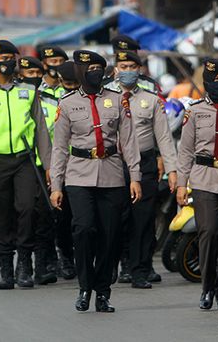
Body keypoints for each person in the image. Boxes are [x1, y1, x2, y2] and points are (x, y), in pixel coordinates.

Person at [50, 50, 142, 313]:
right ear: (80, 71)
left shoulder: (117, 100)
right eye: (89, 68)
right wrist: (56, 186)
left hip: (111, 174)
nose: (95, 73)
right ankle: (84, 286)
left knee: (110, 236)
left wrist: (135, 177)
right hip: (78, 174)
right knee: (83, 229)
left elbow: (129, 142)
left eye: (99, 68)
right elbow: (59, 148)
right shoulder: (67, 104)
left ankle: (102, 292)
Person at [0, 40, 53, 290]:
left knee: (27, 209)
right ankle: (6, 267)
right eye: (1, 58)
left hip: (24, 160)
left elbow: (41, 130)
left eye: (10, 57)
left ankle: (24, 264)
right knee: (1, 214)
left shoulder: (28, 90)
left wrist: (47, 164)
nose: (6, 62)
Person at [107, 49, 178, 289]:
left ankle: (139, 269)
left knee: (143, 218)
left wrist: (172, 170)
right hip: (113, 163)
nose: (127, 71)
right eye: (123, 66)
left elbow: (165, 138)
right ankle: (115, 264)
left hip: (145, 163)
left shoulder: (152, 99)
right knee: (116, 218)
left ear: (140, 70)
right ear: (115, 69)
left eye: (132, 66)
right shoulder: (104, 97)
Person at [177, 59, 218, 310]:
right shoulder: (194, 112)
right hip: (203, 176)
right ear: (206, 83)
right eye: (216, 81)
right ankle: (207, 288)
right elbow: (185, 151)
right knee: (209, 231)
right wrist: (182, 184)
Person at [18, 55, 58, 285]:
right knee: (23, 216)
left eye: (36, 74)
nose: (32, 78)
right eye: (27, 74)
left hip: (46, 167)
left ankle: (42, 265)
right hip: (21, 163)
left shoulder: (51, 102)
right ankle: (23, 264)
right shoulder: (15, 99)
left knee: (44, 216)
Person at [52, 60, 78, 280]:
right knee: (62, 217)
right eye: (67, 83)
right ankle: (66, 257)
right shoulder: (51, 101)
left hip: (84, 166)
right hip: (59, 165)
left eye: (74, 83)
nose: (71, 87)